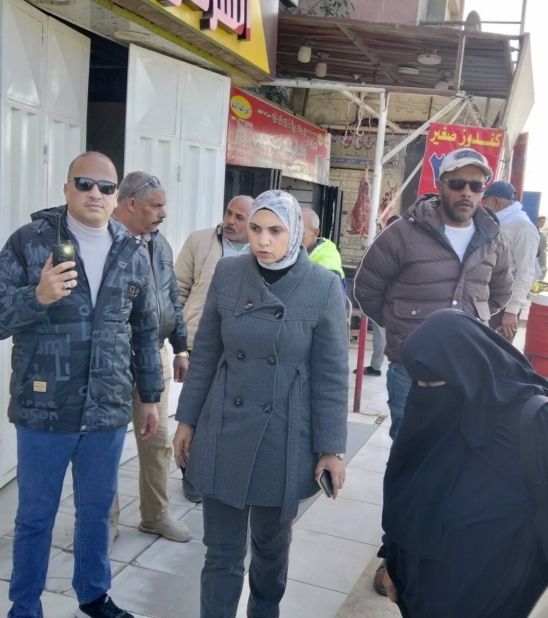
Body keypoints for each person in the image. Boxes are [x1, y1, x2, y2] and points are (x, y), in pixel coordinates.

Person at [0, 152, 163, 618]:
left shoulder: (132, 250)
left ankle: (93, 595)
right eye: (84, 184)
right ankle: (24, 607)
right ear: (67, 188)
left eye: (106, 187)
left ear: (117, 197)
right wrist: (37, 296)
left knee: (96, 512)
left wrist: (150, 397)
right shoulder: (29, 242)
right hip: (44, 408)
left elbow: (145, 330)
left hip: (106, 407)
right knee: (35, 516)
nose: (95, 194)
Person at [172, 190, 348, 618]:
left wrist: (330, 448)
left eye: (275, 231)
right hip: (224, 427)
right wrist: (186, 420)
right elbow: (206, 353)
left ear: (296, 233)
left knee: (270, 551)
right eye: (255, 228)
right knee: (221, 552)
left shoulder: (322, 285)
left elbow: (331, 375)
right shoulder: (229, 272)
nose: (263, 240)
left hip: (283, 433)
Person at [382, 309, 548, 618]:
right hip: (422, 593)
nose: (425, 392)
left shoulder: (532, 424)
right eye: (419, 383)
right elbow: (404, 496)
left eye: (435, 383)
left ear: (469, 368)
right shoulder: (427, 424)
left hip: (500, 594)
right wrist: (392, 561)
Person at [354, 148, 512, 441]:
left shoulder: (493, 239)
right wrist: (403, 325)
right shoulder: (402, 233)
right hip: (412, 367)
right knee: (408, 448)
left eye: (476, 185)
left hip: (467, 366)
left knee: (455, 450)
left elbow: (500, 294)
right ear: (440, 185)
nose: (467, 192)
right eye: (458, 183)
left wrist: (473, 321)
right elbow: (367, 289)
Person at [110, 171, 191, 543]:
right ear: (131, 204)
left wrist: (180, 346)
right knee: (106, 445)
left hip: (154, 355)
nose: (163, 213)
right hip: (111, 358)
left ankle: (155, 515)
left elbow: (171, 297)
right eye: (156, 206)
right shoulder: (103, 242)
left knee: (156, 441)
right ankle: (104, 523)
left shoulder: (160, 245)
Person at [173, 194, 253, 502]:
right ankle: (191, 476)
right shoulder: (199, 241)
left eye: (239, 217)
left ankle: (225, 474)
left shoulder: (261, 250)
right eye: (228, 213)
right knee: (196, 412)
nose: (230, 221)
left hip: (241, 348)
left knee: (231, 416)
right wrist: (179, 344)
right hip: (200, 343)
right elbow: (177, 290)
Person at [483, 181, 539, 341]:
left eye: (486, 201)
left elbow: (526, 271)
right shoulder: (497, 223)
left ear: (495, 201)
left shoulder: (522, 227)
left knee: (497, 353)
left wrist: (512, 310)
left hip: (505, 306)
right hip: (487, 299)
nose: (484, 205)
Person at [301, 207, 345, 287]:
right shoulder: (296, 253)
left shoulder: (328, 266)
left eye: (300, 233)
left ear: (315, 233)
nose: (294, 237)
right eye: (293, 232)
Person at [537, 215, 546, 282]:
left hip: (541, 260)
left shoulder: (542, 236)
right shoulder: (534, 234)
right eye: (541, 222)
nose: (542, 224)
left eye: (543, 222)